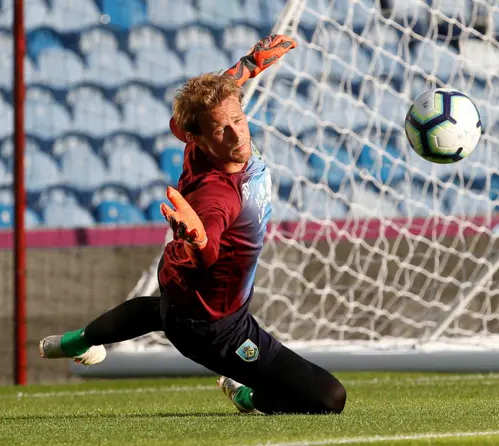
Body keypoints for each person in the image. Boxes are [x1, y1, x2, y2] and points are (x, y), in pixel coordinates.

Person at [40, 34, 347, 415]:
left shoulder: (195, 133)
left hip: (182, 289)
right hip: (215, 328)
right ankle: (245, 394)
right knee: (329, 398)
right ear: (197, 139)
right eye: (222, 131)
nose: (237, 134)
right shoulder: (218, 195)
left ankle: (76, 341)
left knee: (160, 311)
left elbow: (222, 91)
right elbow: (210, 250)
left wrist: (250, 65)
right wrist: (199, 240)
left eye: (238, 119)